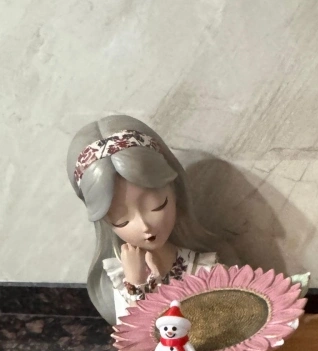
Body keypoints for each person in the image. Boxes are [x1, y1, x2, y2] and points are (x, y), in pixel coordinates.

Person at [66, 115, 237, 324]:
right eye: (121, 220)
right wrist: (135, 282)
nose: (144, 225)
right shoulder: (120, 278)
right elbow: (133, 333)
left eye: (158, 205)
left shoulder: (203, 267)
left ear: (175, 191)